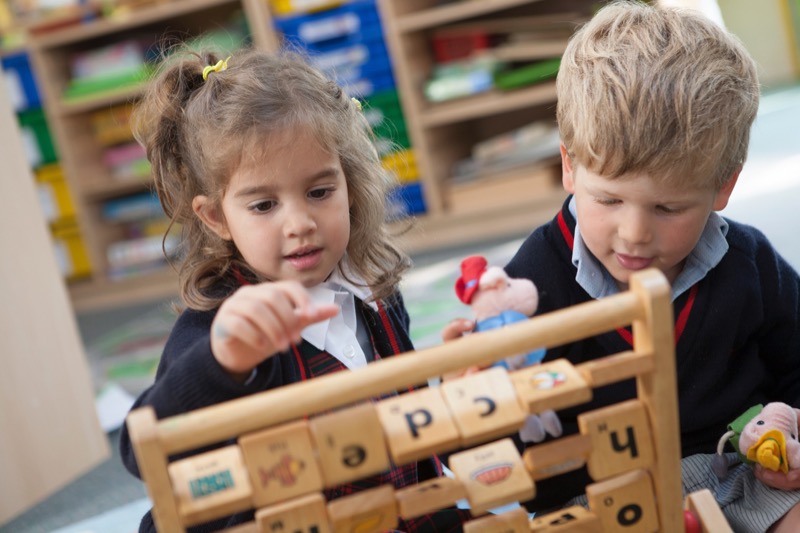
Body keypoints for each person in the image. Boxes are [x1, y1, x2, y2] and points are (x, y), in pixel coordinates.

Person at [443, 2, 800, 531]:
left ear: (723, 185)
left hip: (738, 475)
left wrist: (788, 425)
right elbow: (503, 450)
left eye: (668, 208)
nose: (634, 233)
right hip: (601, 499)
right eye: (609, 201)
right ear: (569, 165)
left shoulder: (750, 264)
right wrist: (474, 392)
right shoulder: (533, 280)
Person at [118, 47, 468, 532]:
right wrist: (222, 363)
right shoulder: (220, 330)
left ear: (349, 182)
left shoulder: (374, 294)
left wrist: (456, 394)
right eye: (263, 205)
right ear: (216, 217)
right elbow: (141, 452)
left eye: (320, 192)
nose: (300, 224)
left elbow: (409, 440)